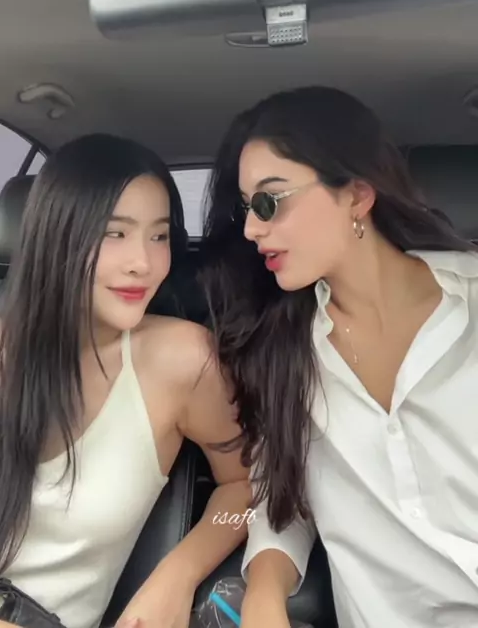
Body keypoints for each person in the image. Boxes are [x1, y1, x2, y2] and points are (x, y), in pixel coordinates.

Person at [200, 85, 478, 628]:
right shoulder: (282, 352)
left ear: (357, 195)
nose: (252, 228)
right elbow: (281, 504)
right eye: (246, 208)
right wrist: (264, 596)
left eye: (270, 201)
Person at [0, 133, 250, 628]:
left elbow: (247, 489)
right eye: (115, 233)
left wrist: (179, 572)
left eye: (159, 236)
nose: (143, 263)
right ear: (57, 234)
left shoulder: (182, 360)